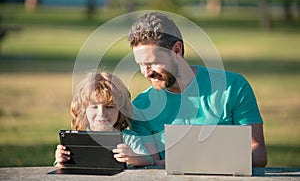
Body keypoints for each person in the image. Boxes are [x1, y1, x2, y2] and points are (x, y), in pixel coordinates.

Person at [127, 12, 268, 167]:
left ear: (176, 50)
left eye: (153, 63)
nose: (146, 73)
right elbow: (151, 165)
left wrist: (198, 162)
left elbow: (258, 153)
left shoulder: (232, 86)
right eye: (140, 64)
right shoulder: (141, 107)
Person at [54, 71, 153, 167]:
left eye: (109, 107)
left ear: (121, 110)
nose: (101, 113)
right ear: (84, 110)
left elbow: (149, 160)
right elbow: (59, 168)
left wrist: (133, 158)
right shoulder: (77, 139)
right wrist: (61, 161)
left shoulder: (128, 138)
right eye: (94, 107)